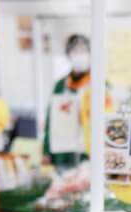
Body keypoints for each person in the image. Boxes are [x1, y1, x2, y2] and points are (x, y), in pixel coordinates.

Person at [43, 34, 92, 169]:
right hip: (62, 152)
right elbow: (50, 119)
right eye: (75, 51)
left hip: (89, 152)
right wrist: (46, 149)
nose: (79, 55)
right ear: (68, 55)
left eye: (83, 51)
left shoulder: (100, 85)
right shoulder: (60, 85)